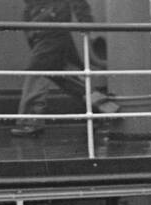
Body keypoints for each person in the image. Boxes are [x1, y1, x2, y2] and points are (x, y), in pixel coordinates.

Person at [11, 2, 117, 138]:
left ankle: (30, 122)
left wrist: (87, 24)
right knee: (66, 78)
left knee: (37, 72)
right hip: (46, 33)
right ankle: (105, 110)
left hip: (53, 34)